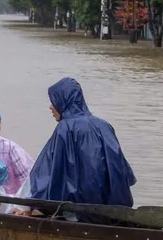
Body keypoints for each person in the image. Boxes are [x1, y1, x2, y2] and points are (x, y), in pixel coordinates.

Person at [28, 77, 135, 207]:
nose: (51, 107)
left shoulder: (65, 128)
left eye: (54, 101)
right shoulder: (104, 126)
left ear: (64, 101)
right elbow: (121, 170)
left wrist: (32, 205)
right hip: (111, 209)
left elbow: (46, 172)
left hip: (79, 211)